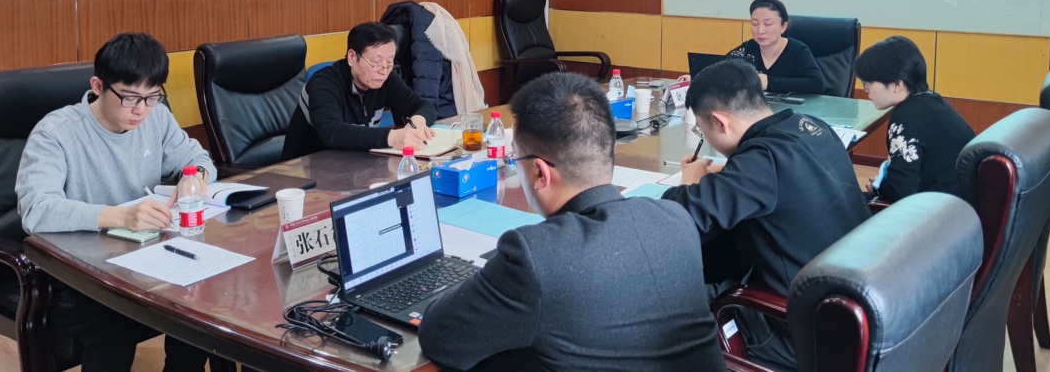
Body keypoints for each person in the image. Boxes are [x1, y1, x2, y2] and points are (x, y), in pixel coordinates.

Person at [419, 72, 726, 371]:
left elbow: (439, 338)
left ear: (540, 172)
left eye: (516, 160)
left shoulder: (534, 256)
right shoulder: (675, 219)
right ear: (609, 149)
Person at [15, 32, 218, 372]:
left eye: (152, 97)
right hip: (83, 269)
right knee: (114, 321)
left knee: (199, 297)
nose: (141, 110)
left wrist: (194, 178)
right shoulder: (56, 134)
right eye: (130, 98)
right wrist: (122, 216)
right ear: (98, 86)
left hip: (147, 257)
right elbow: (37, 210)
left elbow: (198, 159)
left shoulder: (157, 118)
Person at [662, 59, 869, 369]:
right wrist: (730, 174)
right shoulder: (810, 126)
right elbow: (778, 177)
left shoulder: (759, 163)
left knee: (674, 304)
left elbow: (678, 218)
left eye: (702, 131)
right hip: (851, 301)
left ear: (721, 122)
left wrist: (689, 182)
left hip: (799, 328)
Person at [283, 21, 440, 160]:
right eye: (376, 63)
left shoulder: (386, 78)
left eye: (389, 63)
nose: (383, 71)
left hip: (354, 162)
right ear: (352, 57)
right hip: (305, 170)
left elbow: (423, 105)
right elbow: (333, 132)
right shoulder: (323, 84)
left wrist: (418, 123)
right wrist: (393, 137)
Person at [856, 36, 974, 202]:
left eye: (868, 82)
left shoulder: (906, 118)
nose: (866, 89)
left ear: (897, 85)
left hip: (941, 210)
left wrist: (878, 188)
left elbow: (900, 192)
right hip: (963, 204)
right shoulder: (931, 100)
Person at [726, 0, 825, 94]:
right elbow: (719, 71)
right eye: (755, 24)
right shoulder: (746, 49)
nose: (760, 31)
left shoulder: (798, 51)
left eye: (768, 24)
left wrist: (769, 83)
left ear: (783, 27)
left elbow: (817, 84)